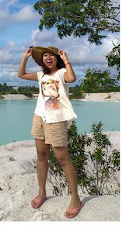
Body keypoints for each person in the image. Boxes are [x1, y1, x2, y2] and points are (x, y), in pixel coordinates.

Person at [18, 46, 84, 219]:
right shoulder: (41, 76)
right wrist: (25, 58)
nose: (48, 58)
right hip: (39, 117)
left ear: (57, 59)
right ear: (42, 60)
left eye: (52, 55)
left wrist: (66, 59)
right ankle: (42, 193)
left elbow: (72, 78)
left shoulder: (61, 73)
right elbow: (21, 75)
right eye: (45, 55)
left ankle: (76, 199)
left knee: (63, 159)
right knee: (41, 155)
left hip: (56, 120)